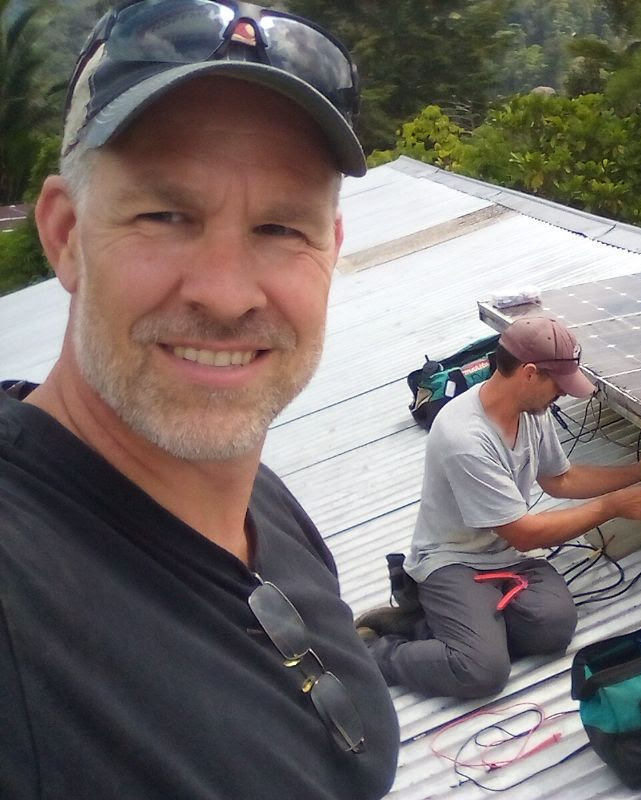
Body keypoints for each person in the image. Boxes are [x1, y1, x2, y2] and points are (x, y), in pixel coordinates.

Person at [0, 2, 399, 797]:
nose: (224, 294)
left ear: (331, 251)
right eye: (166, 215)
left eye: (282, 228)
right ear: (66, 234)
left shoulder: (266, 506)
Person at [359, 316, 641, 698]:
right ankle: (378, 651)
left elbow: (560, 479)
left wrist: (639, 471)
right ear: (530, 374)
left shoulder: (531, 412)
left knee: (553, 628)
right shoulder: (465, 437)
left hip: (506, 557)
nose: (561, 395)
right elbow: (524, 534)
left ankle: (442, 624)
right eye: (558, 385)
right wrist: (612, 506)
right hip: (453, 560)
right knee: (482, 671)